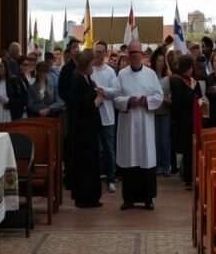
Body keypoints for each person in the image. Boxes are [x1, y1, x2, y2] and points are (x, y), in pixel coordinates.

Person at [114, 41, 164, 210]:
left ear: (142, 55)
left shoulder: (150, 74)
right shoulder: (121, 74)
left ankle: (148, 199)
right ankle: (128, 199)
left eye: (137, 53)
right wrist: (128, 101)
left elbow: (159, 96)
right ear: (127, 56)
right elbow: (115, 97)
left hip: (145, 124)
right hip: (128, 124)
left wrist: (146, 101)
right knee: (130, 159)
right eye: (131, 53)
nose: (134, 56)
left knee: (145, 159)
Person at [70, 50, 103, 208]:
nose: (93, 67)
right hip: (82, 129)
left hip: (89, 127)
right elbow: (84, 104)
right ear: (86, 64)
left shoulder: (87, 79)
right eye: (91, 64)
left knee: (91, 161)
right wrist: (98, 100)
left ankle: (91, 196)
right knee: (84, 163)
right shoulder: (78, 79)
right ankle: (84, 197)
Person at [90, 41, 120, 193]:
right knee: (95, 149)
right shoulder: (90, 70)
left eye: (101, 51)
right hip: (93, 116)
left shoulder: (110, 71)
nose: (98, 53)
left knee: (109, 148)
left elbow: (115, 91)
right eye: (96, 51)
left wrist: (103, 91)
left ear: (106, 53)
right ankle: (94, 177)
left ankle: (111, 178)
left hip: (107, 116)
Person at [170, 54, 202, 189]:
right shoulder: (177, 81)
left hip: (195, 118)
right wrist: (192, 89)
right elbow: (180, 101)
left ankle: (191, 174)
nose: (191, 70)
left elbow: (199, 95)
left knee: (193, 148)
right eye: (189, 67)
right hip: (184, 120)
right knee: (187, 150)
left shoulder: (193, 80)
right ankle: (188, 177)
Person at [58, 37, 81, 191]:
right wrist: (72, 99)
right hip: (72, 110)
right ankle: (71, 178)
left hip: (84, 110)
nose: (76, 49)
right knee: (71, 143)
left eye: (77, 47)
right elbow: (61, 90)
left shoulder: (84, 66)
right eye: (73, 47)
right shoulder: (67, 69)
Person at [150, 48, 172, 176]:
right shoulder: (151, 74)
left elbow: (172, 94)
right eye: (158, 61)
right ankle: (157, 165)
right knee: (155, 141)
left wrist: (165, 99)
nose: (161, 63)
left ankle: (166, 165)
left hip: (165, 111)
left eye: (162, 61)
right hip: (153, 112)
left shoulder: (168, 75)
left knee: (164, 141)